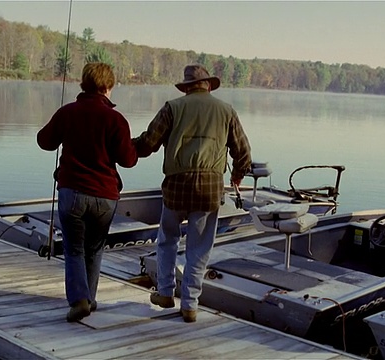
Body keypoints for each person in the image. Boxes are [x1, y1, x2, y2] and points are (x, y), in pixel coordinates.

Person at [133, 64, 252, 323]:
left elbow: (147, 144)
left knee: (167, 239)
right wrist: (238, 174)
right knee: (199, 247)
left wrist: (123, 147)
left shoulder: (172, 107)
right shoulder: (226, 111)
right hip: (209, 187)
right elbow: (242, 150)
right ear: (208, 85)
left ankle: (165, 292)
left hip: (176, 184)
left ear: (187, 87)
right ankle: (189, 304)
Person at [37, 62, 138, 322]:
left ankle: (79, 300)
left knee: (74, 249)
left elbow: (44, 142)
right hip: (105, 196)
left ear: (84, 84)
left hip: (72, 193)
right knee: (94, 249)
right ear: (108, 87)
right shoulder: (116, 119)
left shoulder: (68, 112)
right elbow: (128, 160)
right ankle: (89, 300)